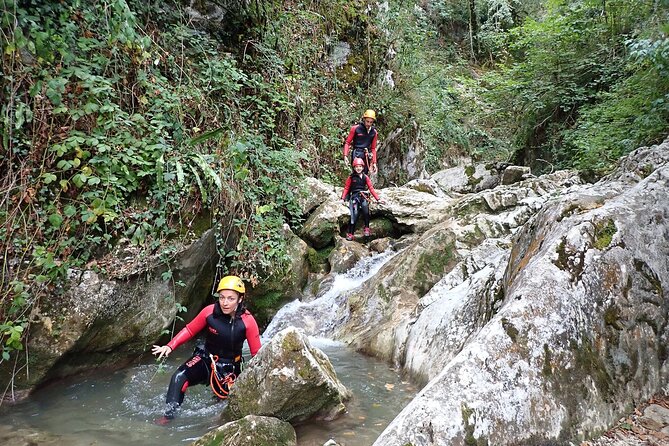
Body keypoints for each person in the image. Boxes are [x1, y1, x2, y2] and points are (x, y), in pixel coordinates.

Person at [151, 275, 261, 424]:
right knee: (178, 378)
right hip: (206, 358)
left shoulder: (248, 321)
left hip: (230, 367)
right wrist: (170, 346)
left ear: (240, 299)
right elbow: (190, 330)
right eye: (222, 297)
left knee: (222, 406)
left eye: (230, 298)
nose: (225, 303)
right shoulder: (209, 312)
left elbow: (257, 355)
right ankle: (168, 418)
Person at [341, 157, 382, 241]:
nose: (358, 168)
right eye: (356, 167)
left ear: (363, 167)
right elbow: (346, 188)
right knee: (354, 214)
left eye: (360, 166)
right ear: (354, 168)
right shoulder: (351, 178)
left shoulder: (365, 177)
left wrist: (378, 199)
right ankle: (351, 233)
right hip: (355, 197)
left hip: (363, 196)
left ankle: (367, 228)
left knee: (365, 210)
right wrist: (342, 198)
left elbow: (371, 188)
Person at [343, 109, 378, 175]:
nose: (369, 124)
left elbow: (373, 148)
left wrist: (374, 163)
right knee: (356, 174)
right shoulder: (355, 128)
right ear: (364, 119)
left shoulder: (374, 132)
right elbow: (347, 142)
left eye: (371, 122)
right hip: (357, 153)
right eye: (367, 121)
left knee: (364, 175)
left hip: (366, 155)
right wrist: (345, 155)